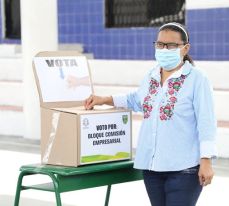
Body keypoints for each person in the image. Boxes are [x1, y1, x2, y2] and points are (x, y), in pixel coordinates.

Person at [84, 22, 217, 206]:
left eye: (171, 45)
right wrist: (103, 99)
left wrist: (206, 161)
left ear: (185, 48)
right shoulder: (151, 76)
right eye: (160, 44)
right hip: (152, 168)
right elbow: (136, 100)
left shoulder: (197, 79)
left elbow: (206, 122)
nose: (164, 49)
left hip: (184, 169)